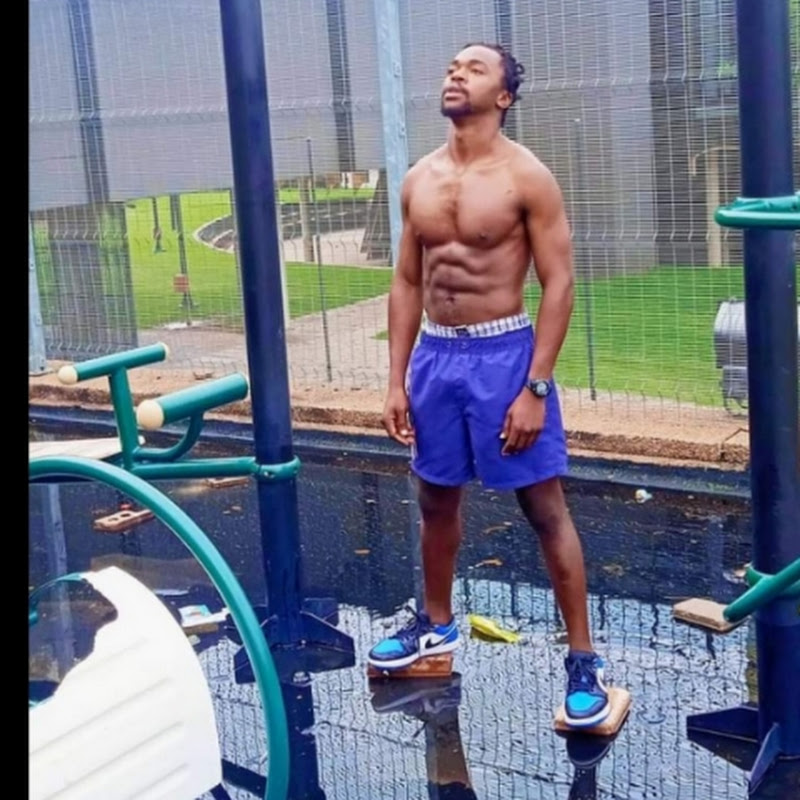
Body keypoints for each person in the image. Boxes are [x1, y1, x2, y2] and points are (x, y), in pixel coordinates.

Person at [367, 42, 610, 728]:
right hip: (435, 359)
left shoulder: (526, 177)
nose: (455, 74)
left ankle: (583, 658)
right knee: (434, 497)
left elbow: (559, 283)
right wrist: (395, 380)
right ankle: (435, 623)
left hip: (504, 354)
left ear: (503, 96)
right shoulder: (419, 177)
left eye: (473, 69)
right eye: (452, 66)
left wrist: (536, 387)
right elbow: (407, 281)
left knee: (543, 507)